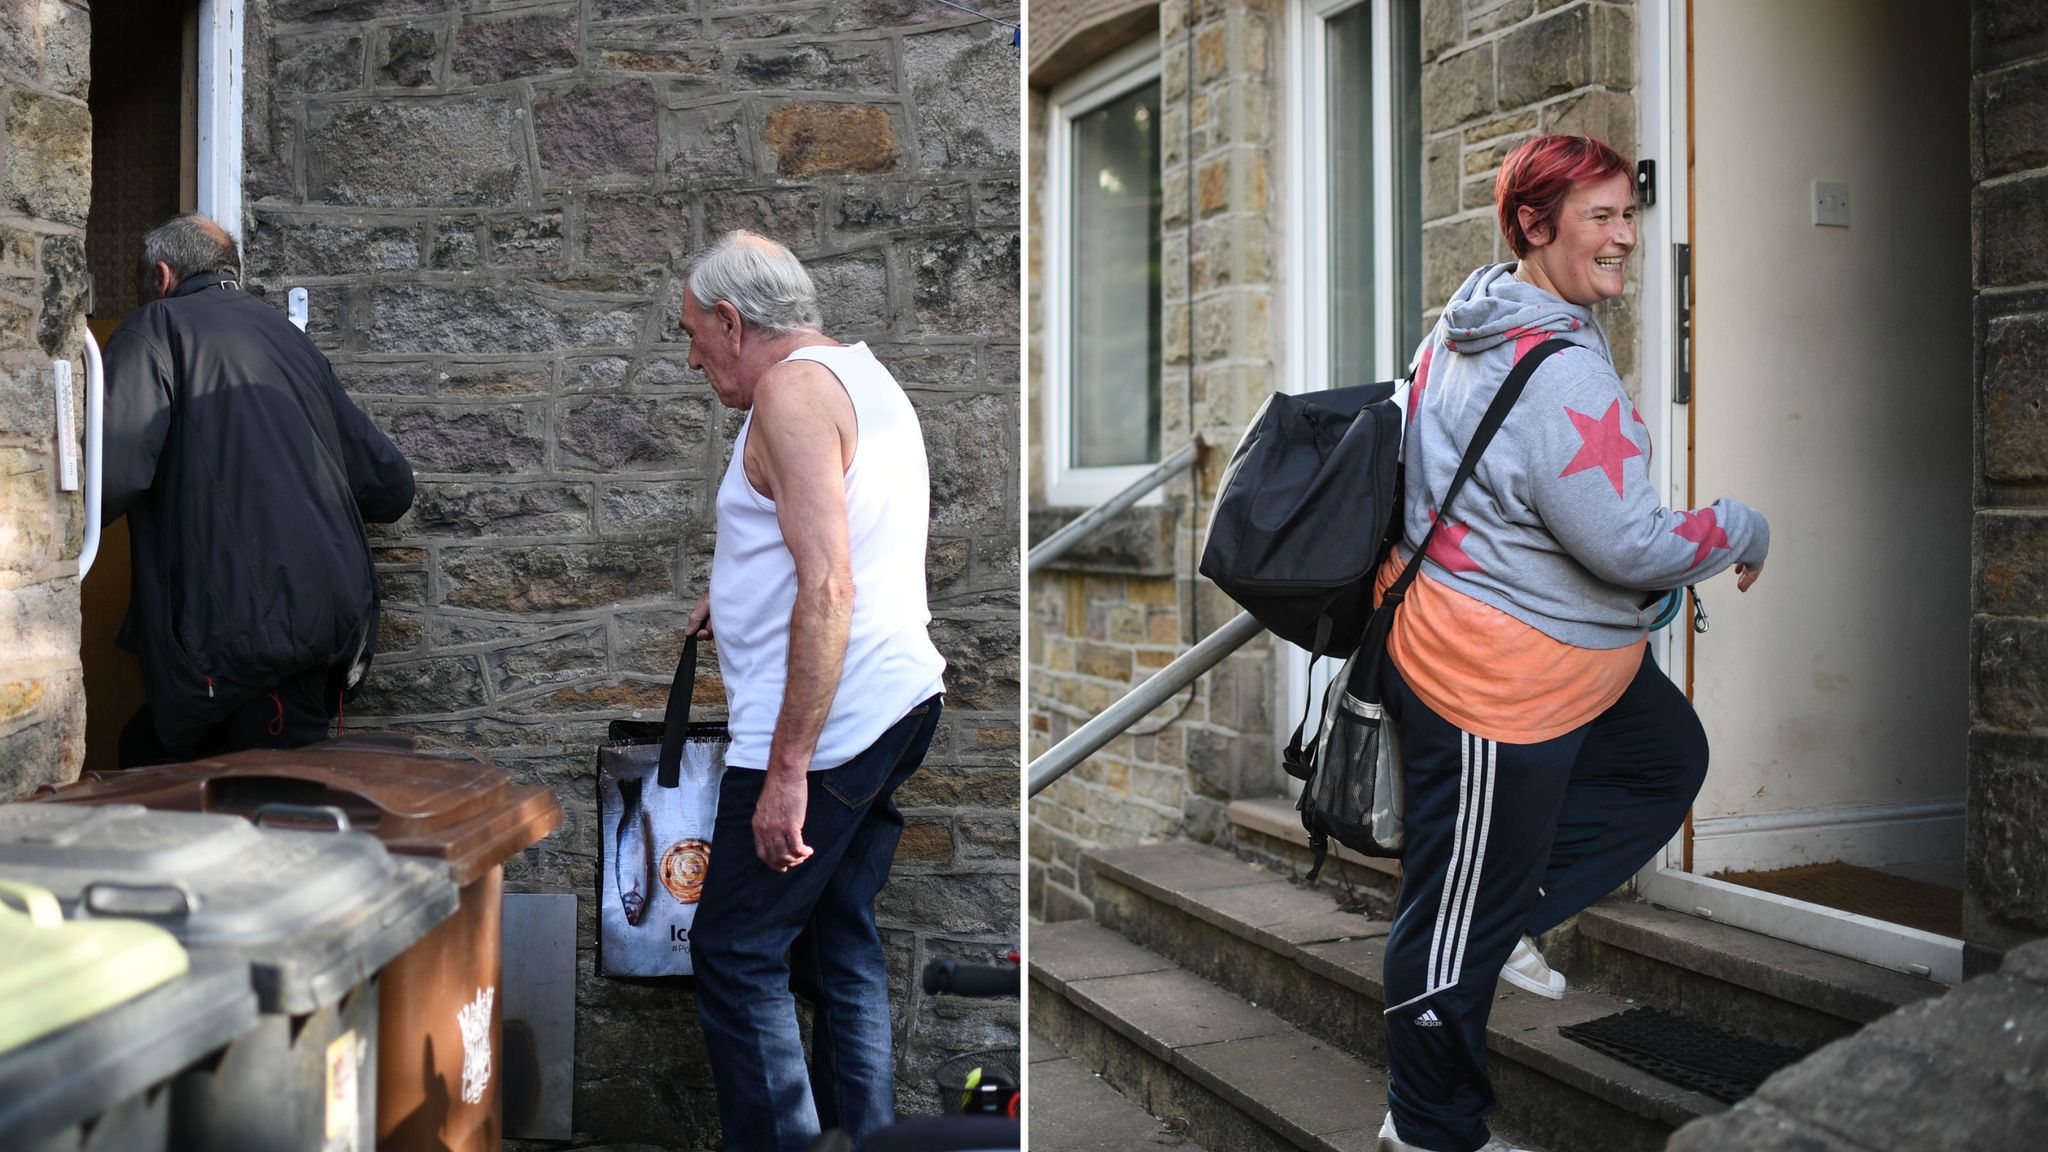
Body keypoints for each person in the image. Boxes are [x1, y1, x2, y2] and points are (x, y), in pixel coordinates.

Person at [1373, 136, 1770, 1152]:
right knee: (1445, 920)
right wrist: (1734, 526)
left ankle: (1493, 920)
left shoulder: (1465, 324)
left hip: (1549, 658)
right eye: (1597, 217)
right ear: (1531, 225)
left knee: (1661, 759)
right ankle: (1424, 1129)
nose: (1624, 236)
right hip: (1490, 678)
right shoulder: (1552, 365)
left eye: (1625, 215)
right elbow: (1627, 541)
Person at [679, 230, 947, 1152]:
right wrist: (741, 589)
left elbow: (832, 584)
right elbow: (841, 534)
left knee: (736, 951)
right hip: (894, 701)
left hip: (827, 732)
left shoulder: (788, 395)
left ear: (730, 319)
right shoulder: (859, 376)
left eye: (694, 334)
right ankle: (859, 1142)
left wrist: (787, 769)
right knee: (837, 944)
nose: (691, 356)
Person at [102, 213, 412, 767]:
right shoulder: (289, 342)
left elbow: (113, 476)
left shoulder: (154, 329)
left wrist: (39, 543)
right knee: (149, 759)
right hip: (330, 624)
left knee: (250, 810)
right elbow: (391, 486)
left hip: (243, 640)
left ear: (162, 276)